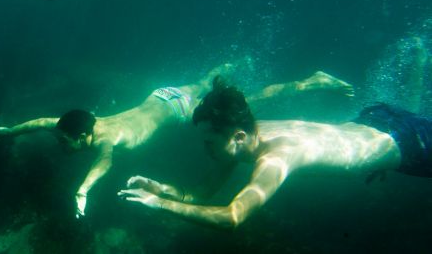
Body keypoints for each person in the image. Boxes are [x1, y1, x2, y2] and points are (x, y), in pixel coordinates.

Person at [0, 64, 354, 218]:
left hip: (179, 109)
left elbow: (104, 164)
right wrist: (8, 131)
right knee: (212, 84)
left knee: (251, 101)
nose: (61, 145)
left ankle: (311, 82)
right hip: (162, 94)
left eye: (67, 143)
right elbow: (40, 122)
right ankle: (220, 69)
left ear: (84, 136)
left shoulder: (105, 139)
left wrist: (83, 191)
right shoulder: (77, 122)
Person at [118, 77, 431, 229]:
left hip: (409, 144)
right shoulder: (248, 131)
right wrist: (163, 189)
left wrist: (160, 205)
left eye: (209, 143)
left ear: (238, 137)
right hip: (374, 120)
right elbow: (200, 192)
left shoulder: (276, 158)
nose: (205, 150)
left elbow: (232, 217)